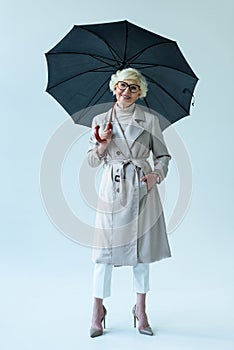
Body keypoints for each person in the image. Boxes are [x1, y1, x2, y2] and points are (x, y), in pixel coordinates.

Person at [87, 68, 171, 338]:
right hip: (111, 189)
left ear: (140, 93)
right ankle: (97, 310)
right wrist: (102, 144)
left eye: (134, 88)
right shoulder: (100, 120)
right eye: (123, 85)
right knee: (103, 255)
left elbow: (163, 156)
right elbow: (91, 161)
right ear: (114, 88)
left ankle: (141, 309)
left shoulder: (149, 120)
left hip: (141, 189)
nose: (127, 91)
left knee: (142, 253)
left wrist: (154, 177)